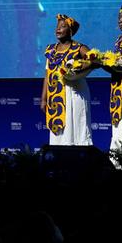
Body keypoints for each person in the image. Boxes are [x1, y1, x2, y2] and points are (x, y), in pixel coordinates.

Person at [40, 14, 92, 145]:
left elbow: (94, 59)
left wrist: (79, 67)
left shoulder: (79, 47)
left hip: (74, 95)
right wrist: (44, 99)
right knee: (58, 135)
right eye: (57, 27)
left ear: (70, 31)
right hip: (55, 97)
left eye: (63, 27)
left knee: (75, 129)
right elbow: (47, 75)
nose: (58, 29)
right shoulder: (50, 50)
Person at [107, 4, 122, 153]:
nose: (120, 21)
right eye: (119, 18)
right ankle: (117, 168)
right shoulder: (119, 41)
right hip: (119, 89)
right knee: (119, 130)